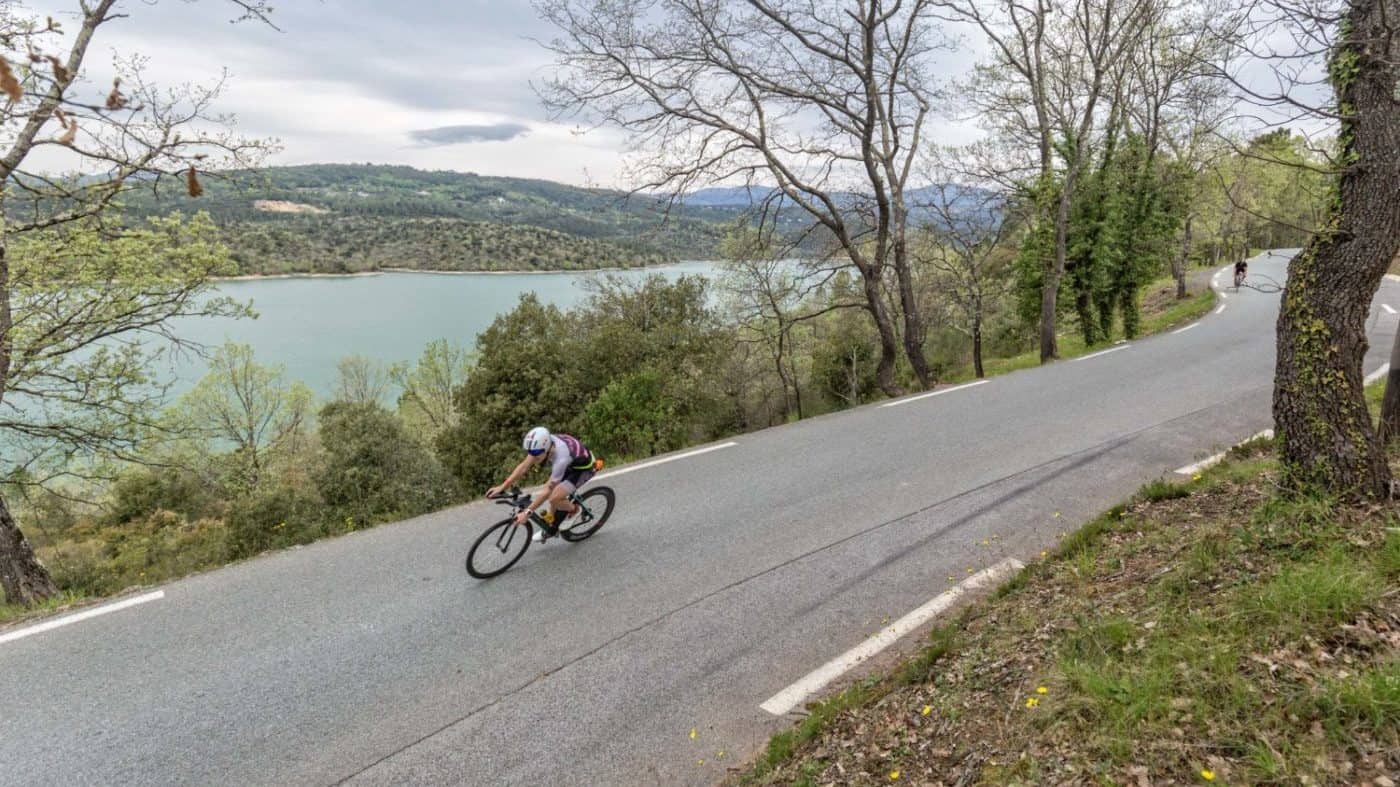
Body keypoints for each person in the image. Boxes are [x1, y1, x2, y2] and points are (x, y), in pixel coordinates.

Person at [486, 426, 599, 541]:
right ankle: (550, 525)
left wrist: (527, 513)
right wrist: (502, 486)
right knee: (552, 494)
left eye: (535, 453)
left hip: (583, 469)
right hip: (571, 462)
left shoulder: (561, 458)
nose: (533, 456)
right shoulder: (541, 447)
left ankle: (574, 510)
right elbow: (524, 467)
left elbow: (547, 491)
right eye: (530, 452)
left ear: (546, 448)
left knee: (554, 497)